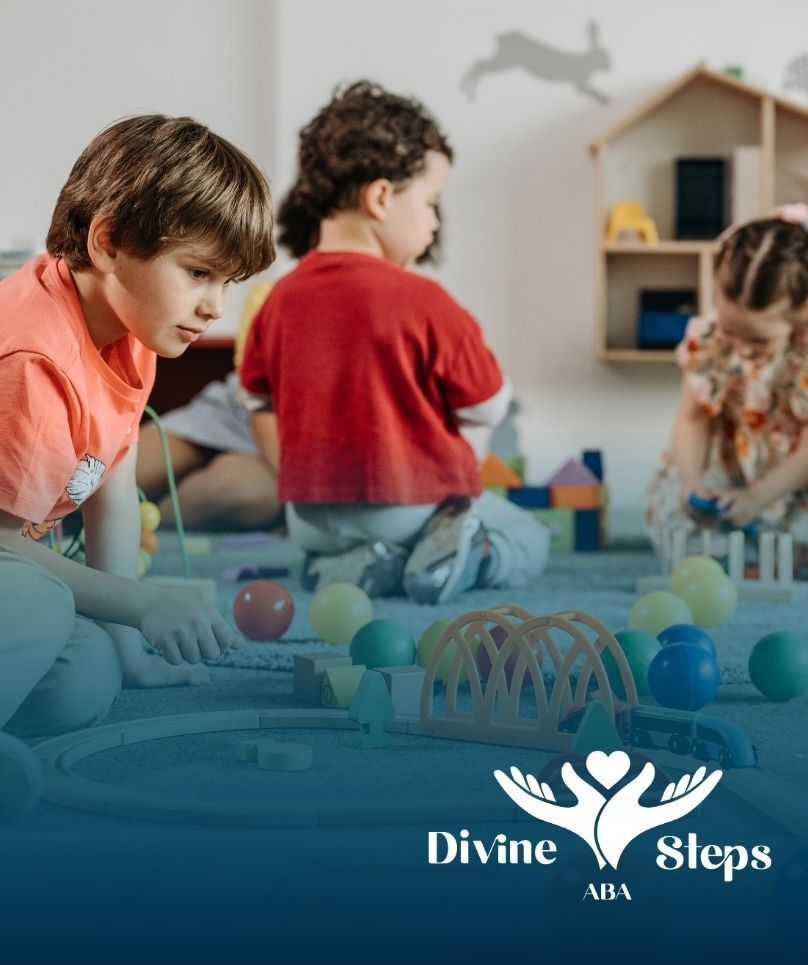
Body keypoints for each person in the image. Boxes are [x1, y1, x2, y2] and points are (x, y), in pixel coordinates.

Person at [0, 114, 275, 737]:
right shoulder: (34, 358)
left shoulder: (134, 329)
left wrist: (127, 646)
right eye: (198, 273)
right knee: (43, 602)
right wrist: (141, 601)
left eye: (226, 282)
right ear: (108, 242)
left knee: (88, 675)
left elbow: (113, 493)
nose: (214, 306)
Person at [240, 80, 548, 603]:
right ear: (381, 197)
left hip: (309, 517)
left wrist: (297, 470)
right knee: (529, 537)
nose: (432, 224)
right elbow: (491, 404)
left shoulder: (277, 301)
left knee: (341, 538)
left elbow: (258, 401)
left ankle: (345, 567)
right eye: (430, 203)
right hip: (409, 507)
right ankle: (457, 556)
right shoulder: (424, 299)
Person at [644, 206, 808, 567]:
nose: (741, 348)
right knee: (674, 524)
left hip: (794, 478)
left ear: (804, 309)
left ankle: (760, 542)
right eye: (731, 330)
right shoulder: (707, 341)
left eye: (758, 341)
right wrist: (692, 482)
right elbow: (692, 421)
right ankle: (742, 541)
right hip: (726, 468)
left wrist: (758, 497)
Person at [135, 282, 282, 533]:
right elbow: (257, 395)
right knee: (112, 472)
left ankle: (146, 522)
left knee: (238, 493)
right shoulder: (273, 294)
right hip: (233, 411)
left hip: (284, 443)